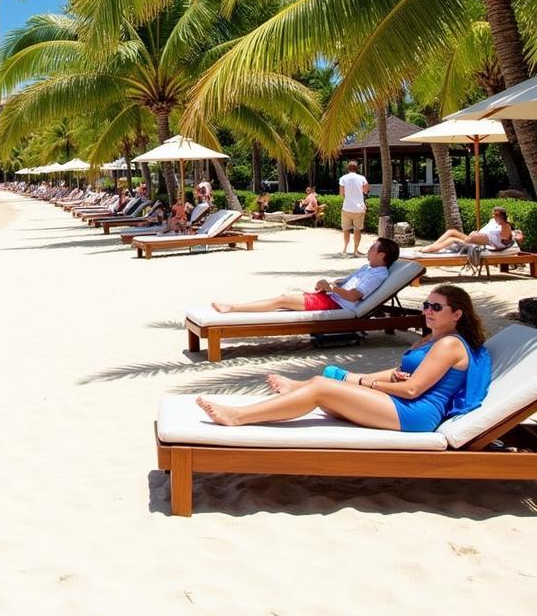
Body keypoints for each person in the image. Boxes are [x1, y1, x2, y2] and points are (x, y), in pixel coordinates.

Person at [198, 285, 491, 433]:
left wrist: (363, 382)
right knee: (322, 381)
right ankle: (297, 389)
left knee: (322, 389)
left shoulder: (449, 344)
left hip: (416, 413)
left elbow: (412, 389)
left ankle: (238, 417)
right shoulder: (430, 338)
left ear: (456, 314)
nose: (428, 310)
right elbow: (400, 373)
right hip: (404, 403)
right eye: (426, 305)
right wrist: (356, 379)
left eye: (436, 307)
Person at [211, 238, 399, 314]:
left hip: (336, 303)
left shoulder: (378, 274)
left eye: (372, 248)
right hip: (331, 297)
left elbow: (353, 296)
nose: (368, 250)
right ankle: (234, 307)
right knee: (284, 299)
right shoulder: (368, 268)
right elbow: (346, 283)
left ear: (382, 255)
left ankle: (232, 308)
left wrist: (331, 288)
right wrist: (328, 285)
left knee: (282, 300)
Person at [418, 207, 514, 254]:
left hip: (489, 243)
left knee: (452, 239)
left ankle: (429, 250)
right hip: (476, 238)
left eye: (495, 214)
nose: (493, 216)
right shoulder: (492, 221)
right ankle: (433, 245)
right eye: (493, 214)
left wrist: (503, 224)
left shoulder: (505, 225)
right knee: (451, 232)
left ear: (500, 216)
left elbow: (504, 238)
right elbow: (484, 230)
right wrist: (475, 234)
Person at [339, 160, 370, 256]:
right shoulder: (362, 178)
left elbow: (341, 194)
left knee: (346, 229)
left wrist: (348, 198)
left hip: (347, 208)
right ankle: (355, 251)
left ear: (348, 168)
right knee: (357, 230)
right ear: (357, 169)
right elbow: (366, 191)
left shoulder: (343, 178)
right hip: (359, 208)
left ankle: (344, 250)